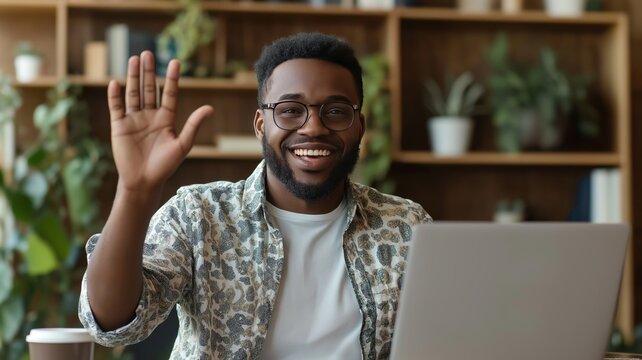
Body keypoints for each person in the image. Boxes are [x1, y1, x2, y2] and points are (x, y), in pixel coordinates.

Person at [78, 32, 431, 359]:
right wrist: (135, 191)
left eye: (336, 112)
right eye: (291, 110)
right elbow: (112, 324)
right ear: (261, 125)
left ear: (360, 127)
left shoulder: (406, 227)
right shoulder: (199, 215)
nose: (313, 127)